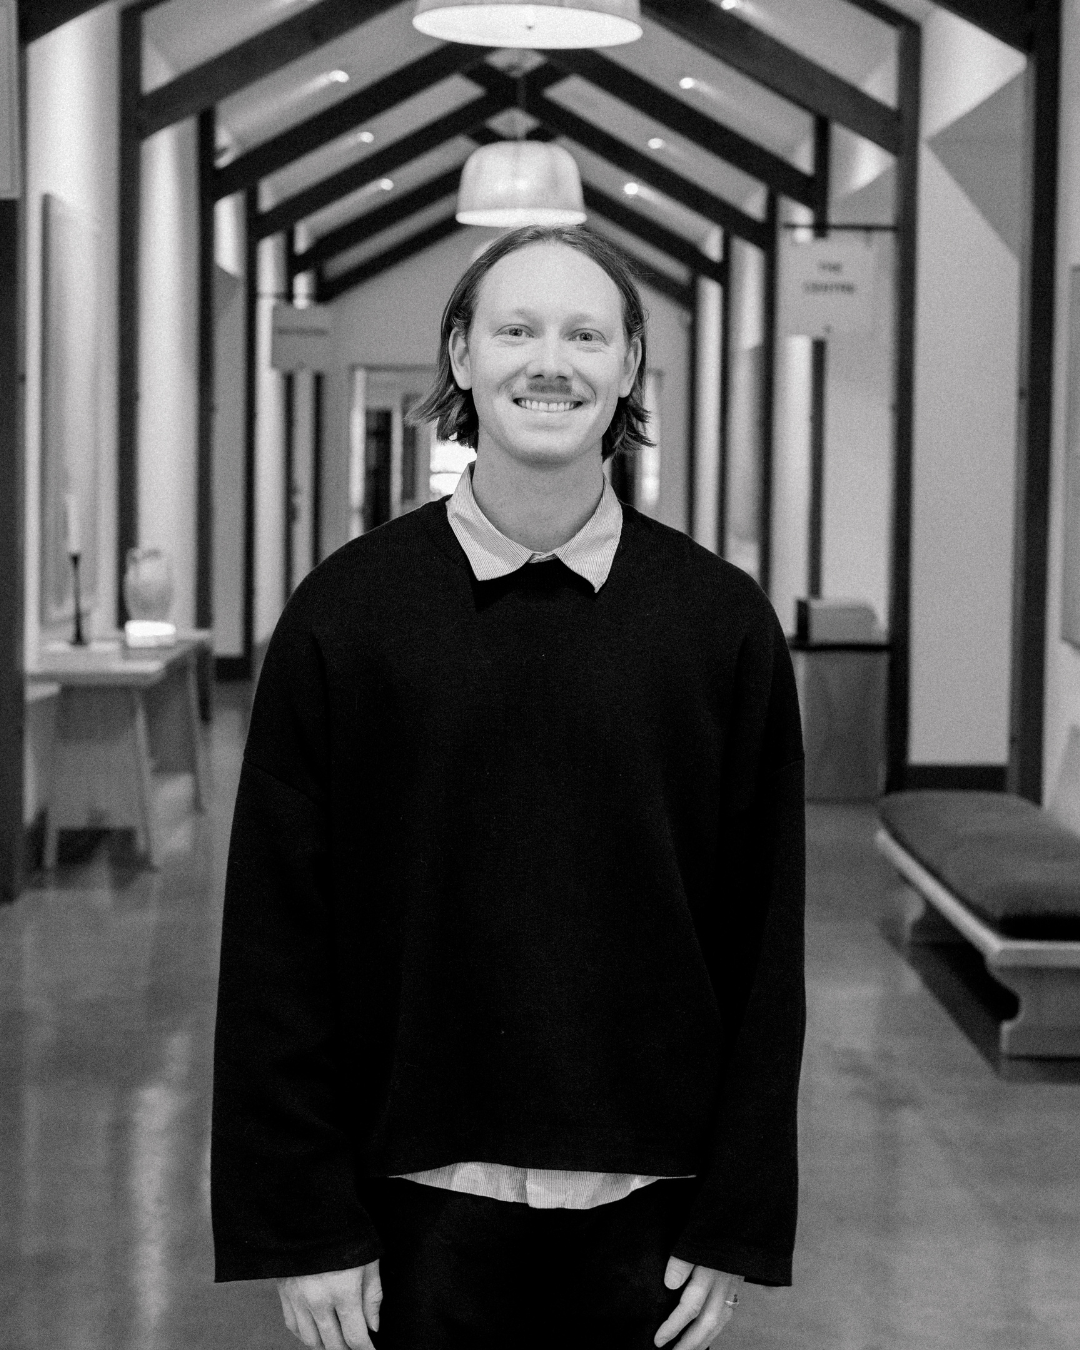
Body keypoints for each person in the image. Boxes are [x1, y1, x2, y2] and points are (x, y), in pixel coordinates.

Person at [211, 224, 806, 1350]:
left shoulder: (719, 625)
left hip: (652, 1204)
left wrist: (738, 1212)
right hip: (407, 1203)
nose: (551, 360)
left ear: (629, 366)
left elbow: (762, 942)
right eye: (517, 329)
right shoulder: (347, 615)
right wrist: (302, 1221)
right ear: (461, 356)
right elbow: (279, 938)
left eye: (587, 333)